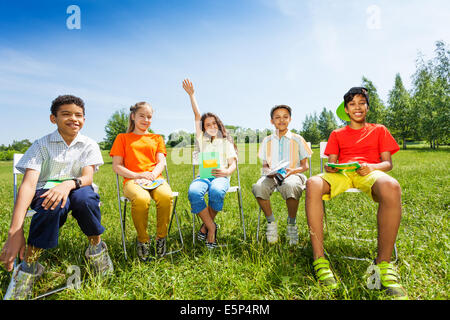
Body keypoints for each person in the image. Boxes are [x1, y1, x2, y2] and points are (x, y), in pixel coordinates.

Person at [0, 95, 113, 300]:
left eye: (79, 115)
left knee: (86, 200)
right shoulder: (41, 145)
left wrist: (68, 184)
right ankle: (29, 267)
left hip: (79, 187)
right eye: (66, 114)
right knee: (51, 204)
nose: (74, 118)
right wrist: (15, 231)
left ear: (84, 120)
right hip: (46, 189)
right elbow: (29, 184)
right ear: (54, 118)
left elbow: (87, 177)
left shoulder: (89, 144)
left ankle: (96, 250)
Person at [304, 87, 407, 299]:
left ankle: (384, 265)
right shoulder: (337, 134)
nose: (357, 107)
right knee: (313, 182)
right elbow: (331, 163)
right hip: (343, 174)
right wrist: (332, 168)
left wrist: (372, 167)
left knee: (393, 186)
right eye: (352, 104)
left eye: (362, 103)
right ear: (346, 110)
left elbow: (388, 163)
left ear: (367, 107)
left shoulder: (379, 130)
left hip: (368, 172)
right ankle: (320, 261)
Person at [110, 102, 173, 261]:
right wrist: (138, 175)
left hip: (154, 179)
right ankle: (143, 240)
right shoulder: (122, 138)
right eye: (142, 116)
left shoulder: (156, 138)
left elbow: (161, 162)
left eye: (149, 117)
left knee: (166, 196)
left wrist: (151, 174)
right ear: (133, 117)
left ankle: (161, 238)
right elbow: (117, 167)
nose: (146, 120)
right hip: (132, 180)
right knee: (141, 199)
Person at [182, 79, 238, 249]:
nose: (211, 126)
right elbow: (197, 116)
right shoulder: (202, 140)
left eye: (214, 123)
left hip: (220, 176)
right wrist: (192, 95)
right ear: (204, 128)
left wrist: (226, 172)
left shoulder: (226, 141)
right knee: (193, 192)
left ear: (218, 124)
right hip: (203, 176)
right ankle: (211, 225)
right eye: (208, 125)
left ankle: (207, 229)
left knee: (216, 191)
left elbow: (232, 164)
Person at [252, 105, 312, 245]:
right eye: (277, 117)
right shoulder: (267, 140)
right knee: (258, 187)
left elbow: (305, 166)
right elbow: (265, 165)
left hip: (292, 174)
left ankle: (291, 224)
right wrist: (268, 172)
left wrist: (292, 171)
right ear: (272, 121)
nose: (281, 120)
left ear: (290, 119)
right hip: (272, 176)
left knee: (291, 185)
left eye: (285, 117)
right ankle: (271, 223)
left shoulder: (297, 139)